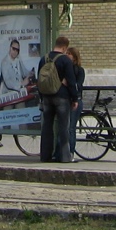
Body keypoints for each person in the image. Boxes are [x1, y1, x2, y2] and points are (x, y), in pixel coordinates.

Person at [37, 35, 79, 163]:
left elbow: (39, 80)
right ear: (65, 47)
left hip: (46, 97)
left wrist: (41, 97)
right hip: (61, 97)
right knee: (63, 127)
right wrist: (75, 99)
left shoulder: (43, 59)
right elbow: (71, 81)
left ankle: (45, 156)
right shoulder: (65, 60)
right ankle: (65, 157)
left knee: (47, 127)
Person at [66, 45, 86, 159]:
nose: (67, 55)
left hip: (76, 100)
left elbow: (78, 85)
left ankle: (71, 152)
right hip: (67, 100)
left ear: (74, 57)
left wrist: (69, 83)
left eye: (69, 54)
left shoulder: (79, 70)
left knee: (71, 127)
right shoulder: (65, 68)